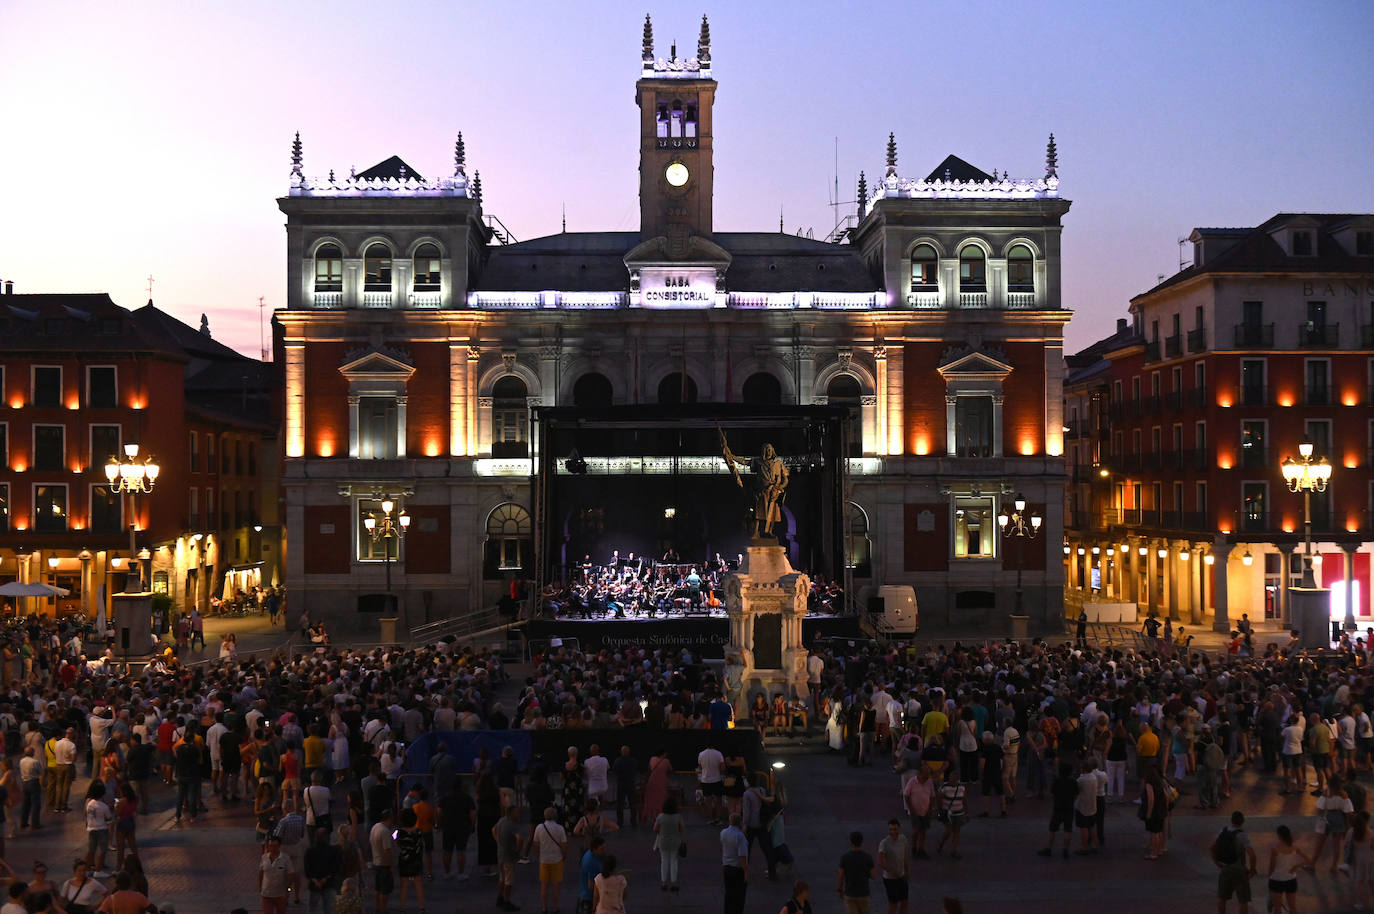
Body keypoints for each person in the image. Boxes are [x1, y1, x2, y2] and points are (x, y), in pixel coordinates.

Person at [1211, 810, 1257, 914]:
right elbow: (1252, 856)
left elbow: (1211, 848)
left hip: (1225, 868)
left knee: (1222, 898)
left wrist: (1217, 863)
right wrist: (1253, 869)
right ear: (1242, 821)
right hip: (1240, 870)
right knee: (1243, 900)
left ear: (1231, 820)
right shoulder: (1242, 835)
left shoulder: (1223, 831)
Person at [1266, 824, 1312, 914]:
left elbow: (1271, 867)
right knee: (1293, 907)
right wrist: (1297, 866)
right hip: (1291, 880)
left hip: (1276, 880)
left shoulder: (1275, 849)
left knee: (1277, 908)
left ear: (1279, 835)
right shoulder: (1294, 848)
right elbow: (1309, 861)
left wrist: (1269, 877)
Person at [1314, 774, 1354, 874]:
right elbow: (1348, 811)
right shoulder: (1343, 794)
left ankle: (1312, 863)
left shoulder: (1326, 793)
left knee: (1320, 843)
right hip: (1339, 818)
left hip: (1327, 816)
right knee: (1336, 845)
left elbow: (1319, 808)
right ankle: (1334, 866)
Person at [533, 806, 569, 914]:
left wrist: (539, 854)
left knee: (544, 885)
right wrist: (564, 855)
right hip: (557, 860)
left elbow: (535, 844)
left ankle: (544, 908)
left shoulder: (539, 828)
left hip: (544, 860)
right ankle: (556, 907)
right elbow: (564, 845)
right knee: (556, 886)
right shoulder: (560, 828)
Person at [439, 780, 476, 879]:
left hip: (448, 826)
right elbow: (473, 813)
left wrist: (439, 823)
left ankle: (447, 873)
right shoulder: (466, 797)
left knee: (447, 851)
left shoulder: (445, 797)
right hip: (462, 827)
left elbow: (438, 811)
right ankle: (461, 874)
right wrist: (472, 825)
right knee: (461, 851)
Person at [1039, 762, 1077, 858]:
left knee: (1052, 829)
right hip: (1069, 808)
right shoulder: (1073, 782)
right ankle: (1065, 849)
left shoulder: (1057, 781)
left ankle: (1049, 848)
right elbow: (1076, 794)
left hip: (1058, 808)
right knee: (1068, 829)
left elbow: (1051, 794)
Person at [303, 826, 342, 914]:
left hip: (314, 884)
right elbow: (335, 868)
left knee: (313, 908)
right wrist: (325, 879)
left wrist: (315, 880)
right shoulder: (333, 850)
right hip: (329, 883)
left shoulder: (309, 851)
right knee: (329, 908)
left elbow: (307, 868)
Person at [492, 803, 523, 912]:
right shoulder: (512, 824)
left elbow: (493, 830)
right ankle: (506, 902)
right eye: (517, 812)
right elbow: (519, 839)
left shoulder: (501, 820)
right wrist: (517, 851)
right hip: (509, 856)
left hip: (500, 854)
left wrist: (498, 842)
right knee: (509, 880)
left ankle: (499, 898)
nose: (519, 814)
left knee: (502, 878)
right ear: (511, 813)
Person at [901, 766, 936, 859]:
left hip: (925, 811)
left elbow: (932, 796)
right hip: (914, 812)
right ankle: (914, 849)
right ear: (921, 773)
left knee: (923, 831)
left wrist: (930, 809)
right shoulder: (912, 781)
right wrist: (911, 809)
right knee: (916, 830)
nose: (929, 774)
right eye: (927, 772)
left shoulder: (930, 782)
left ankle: (921, 849)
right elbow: (906, 795)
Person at [837, 830, 875, 914]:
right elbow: (873, 875)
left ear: (851, 842)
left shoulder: (845, 858)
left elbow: (840, 875)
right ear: (861, 842)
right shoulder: (867, 857)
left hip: (850, 893)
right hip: (864, 893)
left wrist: (840, 889)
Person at [876, 819, 909, 914]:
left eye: (895, 829)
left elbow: (905, 856)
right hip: (890, 879)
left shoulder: (903, 839)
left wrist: (907, 871)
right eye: (891, 829)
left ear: (899, 829)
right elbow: (880, 861)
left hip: (902, 876)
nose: (893, 832)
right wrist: (892, 871)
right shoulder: (884, 843)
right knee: (893, 905)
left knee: (905, 902)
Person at [653, 795, 685, 892]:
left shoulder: (660, 817)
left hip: (663, 842)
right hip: (675, 842)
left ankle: (663, 883)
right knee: (674, 862)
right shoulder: (678, 817)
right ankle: (673, 883)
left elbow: (655, 828)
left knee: (664, 861)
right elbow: (682, 829)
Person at [935, 768, 967, 859]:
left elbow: (964, 799)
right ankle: (941, 844)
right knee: (948, 831)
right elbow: (939, 798)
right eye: (950, 778)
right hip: (947, 813)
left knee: (956, 832)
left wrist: (966, 812)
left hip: (958, 812)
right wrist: (939, 810)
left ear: (957, 779)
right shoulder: (944, 787)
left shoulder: (961, 787)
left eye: (954, 779)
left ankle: (953, 850)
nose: (952, 780)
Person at [721, 813, 749, 914]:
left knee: (729, 893)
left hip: (726, 867)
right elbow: (742, 857)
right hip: (737, 869)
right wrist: (746, 871)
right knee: (739, 895)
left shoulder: (723, 833)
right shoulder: (740, 837)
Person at [259, 835, 295, 914]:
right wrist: (260, 888)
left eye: (275, 846)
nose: (272, 848)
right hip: (266, 894)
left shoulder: (285, 858)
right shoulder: (264, 858)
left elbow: (291, 875)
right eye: (270, 846)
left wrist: (288, 891)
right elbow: (261, 873)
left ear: (279, 846)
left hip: (280, 895)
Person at [369, 808, 395, 914]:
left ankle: (378, 908)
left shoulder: (375, 827)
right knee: (385, 890)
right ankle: (383, 910)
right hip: (384, 864)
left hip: (376, 862)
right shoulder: (384, 831)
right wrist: (391, 865)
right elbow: (387, 850)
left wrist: (395, 835)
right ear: (389, 818)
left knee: (378, 888)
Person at [84, 780, 114, 875]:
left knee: (91, 849)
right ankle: (98, 870)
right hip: (102, 829)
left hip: (91, 828)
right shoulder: (104, 806)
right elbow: (109, 819)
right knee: (102, 850)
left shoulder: (90, 803)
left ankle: (87, 869)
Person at [698, 742, 726, 825]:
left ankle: (710, 818)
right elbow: (722, 767)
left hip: (705, 780)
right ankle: (718, 818)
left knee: (708, 800)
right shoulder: (718, 754)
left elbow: (700, 767)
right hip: (717, 779)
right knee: (718, 800)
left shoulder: (701, 754)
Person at [578, 835, 606, 914]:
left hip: (584, 892)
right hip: (590, 897)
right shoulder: (591, 862)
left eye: (604, 848)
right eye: (602, 849)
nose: (604, 851)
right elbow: (591, 886)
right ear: (594, 849)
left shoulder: (589, 853)